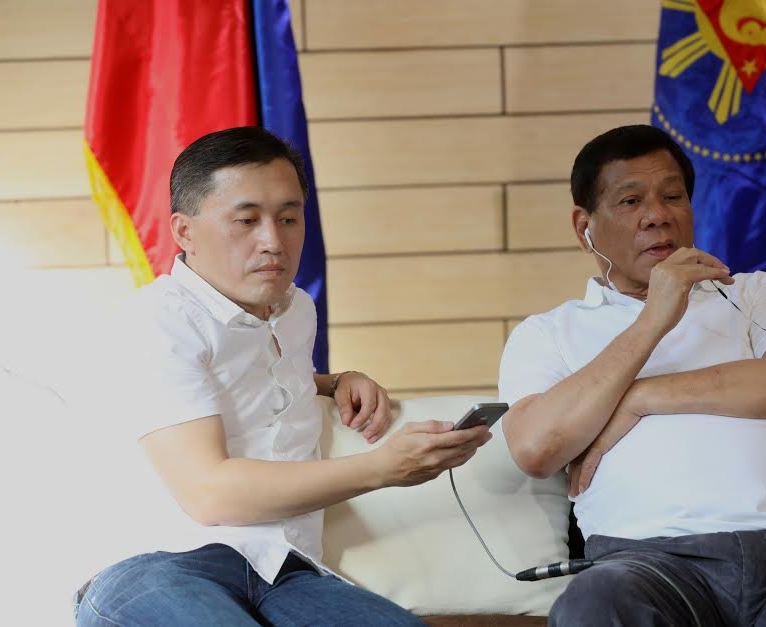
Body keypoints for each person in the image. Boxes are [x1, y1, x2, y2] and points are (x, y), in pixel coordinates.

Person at [74, 127, 491, 627]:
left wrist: (335, 381)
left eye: (289, 218)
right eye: (246, 220)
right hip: (164, 567)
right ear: (184, 232)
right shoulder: (154, 322)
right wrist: (383, 467)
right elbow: (211, 493)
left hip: (288, 571)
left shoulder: (294, 310)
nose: (273, 242)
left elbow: (247, 378)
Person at [498, 125, 766, 626]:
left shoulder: (753, 293)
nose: (658, 215)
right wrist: (654, 319)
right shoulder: (549, 333)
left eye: (673, 196)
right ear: (585, 228)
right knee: (592, 605)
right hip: (644, 564)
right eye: (629, 201)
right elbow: (536, 448)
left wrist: (638, 398)